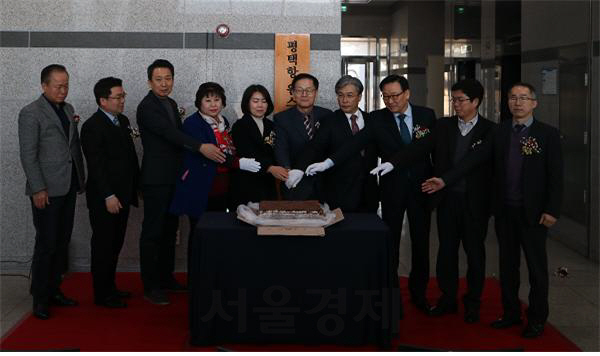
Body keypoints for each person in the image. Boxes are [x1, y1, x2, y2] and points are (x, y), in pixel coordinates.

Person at [306, 74, 436, 314]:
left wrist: (396, 163)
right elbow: (355, 144)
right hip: (392, 189)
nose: (391, 101)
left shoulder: (426, 116)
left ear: (407, 93)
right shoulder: (377, 119)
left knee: (421, 243)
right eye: (386, 96)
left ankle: (419, 295)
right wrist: (328, 162)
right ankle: (392, 298)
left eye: (395, 95)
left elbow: (424, 147)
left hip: (421, 188)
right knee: (391, 244)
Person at [380, 79, 496, 322]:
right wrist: (392, 162)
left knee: (474, 253)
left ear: (475, 102)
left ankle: (473, 302)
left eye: (461, 100)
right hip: (447, 202)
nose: (456, 104)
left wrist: (444, 179)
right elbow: (420, 148)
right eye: (453, 99)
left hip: (475, 202)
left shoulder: (491, 130)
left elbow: (472, 162)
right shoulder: (443, 126)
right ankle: (448, 299)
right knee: (446, 252)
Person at [137, 59, 226, 305]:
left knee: (169, 230)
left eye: (168, 79)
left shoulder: (171, 103)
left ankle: (166, 278)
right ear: (149, 82)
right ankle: (150, 285)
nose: (164, 84)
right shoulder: (147, 107)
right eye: (159, 79)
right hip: (156, 179)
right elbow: (170, 134)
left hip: (174, 178)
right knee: (153, 232)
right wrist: (201, 146)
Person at [488, 83, 562, 338]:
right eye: (512, 98)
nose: (517, 102)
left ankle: (537, 319)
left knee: (536, 269)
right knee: (507, 266)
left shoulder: (547, 134)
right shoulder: (499, 132)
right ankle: (510, 313)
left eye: (523, 98)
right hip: (505, 210)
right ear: (507, 102)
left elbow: (556, 176)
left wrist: (552, 210)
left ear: (534, 103)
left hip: (533, 213)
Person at [169, 82, 261, 279]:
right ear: (199, 103)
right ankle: (196, 276)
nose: (213, 104)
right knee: (199, 232)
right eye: (207, 100)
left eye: (217, 99)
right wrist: (239, 163)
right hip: (201, 188)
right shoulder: (193, 123)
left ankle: (214, 274)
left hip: (222, 187)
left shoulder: (223, 121)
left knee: (217, 230)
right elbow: (213, 154)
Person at [18, 64, 85, 319]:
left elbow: (72, 148)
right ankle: (40, 297)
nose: (63, 90)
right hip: (45, 189)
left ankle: (55, 289)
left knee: (61, 242)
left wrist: (80, 179)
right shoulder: (30, 113)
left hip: (67, 186)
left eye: (66, 85)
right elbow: (28, 154)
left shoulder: (67, 109)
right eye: (57, 85)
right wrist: (38, 188)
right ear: (44, 85)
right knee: (46, 244)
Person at [81, 77, 140, 308]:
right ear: (103, 100)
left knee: (115, 244)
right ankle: (102, 294)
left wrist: (137, 185)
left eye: (123, 95)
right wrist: (108, 195)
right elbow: (95, 166)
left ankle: (111, 286)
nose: (123, 100)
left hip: (124, 194)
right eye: (118, 97)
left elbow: (130, 157)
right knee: (103, 245)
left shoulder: (122, 120)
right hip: (105, 198)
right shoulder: (92, 126)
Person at [290, 75, 378, 212]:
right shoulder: (330, 121)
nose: (344, 100)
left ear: (359, 97)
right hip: (340, 193)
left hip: (369, 191)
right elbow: (315, 147)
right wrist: (299, 168)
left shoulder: (372, 120)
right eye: (340, 95)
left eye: (350, 95)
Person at [273, 73, 332, 200]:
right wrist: (288, 172)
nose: (304, 94)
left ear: (316, 92)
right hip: (295, 182)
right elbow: (281, 148)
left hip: (325, 181)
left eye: (309, 90)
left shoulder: (328, 115)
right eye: (299, 90)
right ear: (293, 93)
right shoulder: (282, 118)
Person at [230, 85, 288, 207]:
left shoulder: (271, 125)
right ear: (247, 103)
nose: (260, 105)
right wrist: (270, 168)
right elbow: (246, 152)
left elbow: (276, 150)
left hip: (267, 183)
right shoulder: (240, 126)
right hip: (246, 182)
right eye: (255, 101)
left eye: (264, 101)